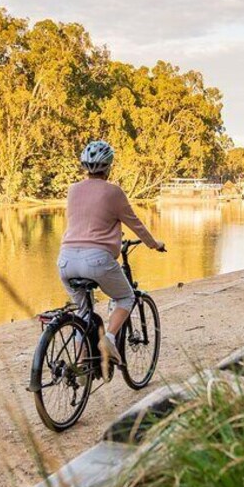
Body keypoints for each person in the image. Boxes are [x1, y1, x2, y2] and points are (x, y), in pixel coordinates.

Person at [58, 140, 165, 370]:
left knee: (84, 314)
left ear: (84, 166)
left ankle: (80, 368)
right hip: (96, 260)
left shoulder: (73, 190)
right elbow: (136, 225)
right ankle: (109, 338)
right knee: (126, 297)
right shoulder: (113, 193)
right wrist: (154, 244)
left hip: (66, 260)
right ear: (109, 167)